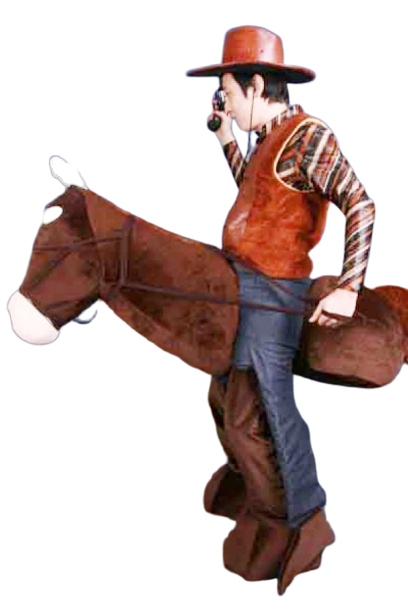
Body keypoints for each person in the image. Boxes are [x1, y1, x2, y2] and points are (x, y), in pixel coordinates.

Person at [185, 25, 376, 596]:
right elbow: (257, 194)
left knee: (264, 403)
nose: (224, 101)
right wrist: (225, 137)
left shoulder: (309, 137)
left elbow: (360, 203)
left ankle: (306, 518)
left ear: (257, 85)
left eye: (229, 92)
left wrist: (349, 286)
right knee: (222, 393)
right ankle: (252, 483)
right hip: (243, 284)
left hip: (276, 294)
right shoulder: (265, 139)